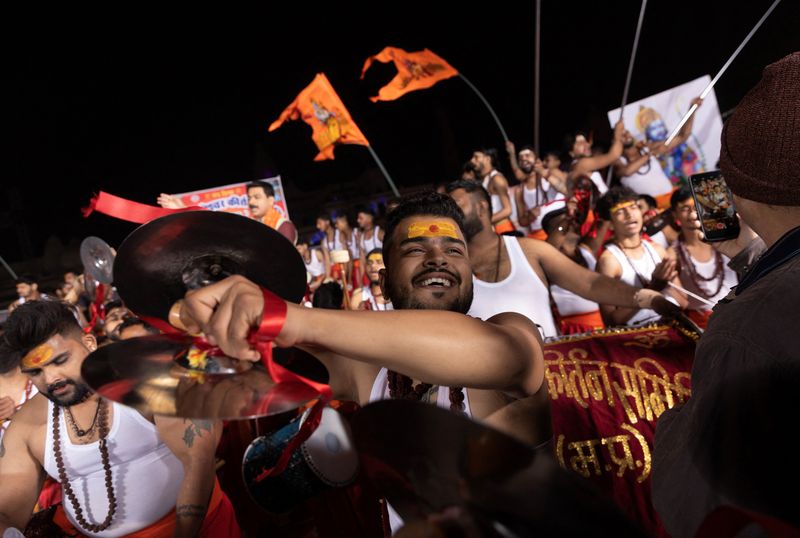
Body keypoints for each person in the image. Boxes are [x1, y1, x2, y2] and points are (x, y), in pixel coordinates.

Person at [653, 52, 800, 536]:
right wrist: (750, 255)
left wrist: (676, 423)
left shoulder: (748, 329)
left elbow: (700, 504)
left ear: (740, 188)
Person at [0, 301, 239, 537]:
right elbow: (8, 510)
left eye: (60, 360)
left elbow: (198, 463)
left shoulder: (148, 380)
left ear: (89, 342)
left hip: (199, 528)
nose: (51, 379)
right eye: (35, 372)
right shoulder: (27, 424)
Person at [445, 181, 674, 339]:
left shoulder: (530, 250)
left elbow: (590, 283)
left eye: (456, 205)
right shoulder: (448, 268)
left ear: (482, 207)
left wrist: (649, 298)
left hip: (550, 378)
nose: (449, 214)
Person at [595, 187, 687, 326]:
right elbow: (611, 321)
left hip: (672, 327)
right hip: (638, 336)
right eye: (620, 211)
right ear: (611, 224)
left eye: (633, 207)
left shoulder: (657, 250)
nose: (629, 215)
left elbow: (683, 302)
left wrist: (668, 284)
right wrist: (652, 288)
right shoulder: (609, 260)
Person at [668, 188, 738, 329]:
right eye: (685, 209)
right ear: (675, 215)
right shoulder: (671, 254)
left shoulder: (725, 240)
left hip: (738, 312)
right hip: (703, 324)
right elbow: (681, 300)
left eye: (696, 207)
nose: (692, 213)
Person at [541, 206, 605, 334]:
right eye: (565, 223)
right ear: (552, 231)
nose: (572, 224)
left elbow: (603, 222)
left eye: (573, 221)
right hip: (574, 329)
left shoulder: (586, 250)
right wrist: (566, 221)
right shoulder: (547, 257)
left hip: (603, 323)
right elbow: (550, 245)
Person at [506, 141, 567, 240]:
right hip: (538, 234)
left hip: (559, 227)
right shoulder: (519, 190)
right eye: (520, 158)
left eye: (527, 155)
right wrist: (530, 216)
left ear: (537, 160)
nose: (524, 159)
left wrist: (544, 173)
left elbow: (566, 191)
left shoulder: (551, 173)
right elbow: (522, 221)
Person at [470, 148, 515, 234]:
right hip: (492, 231)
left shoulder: (497, 178)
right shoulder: (484, 179)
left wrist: (484, 222)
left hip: (503, 229)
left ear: (488, 159)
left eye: (476, 157)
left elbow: (508, 210)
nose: (472, 160)